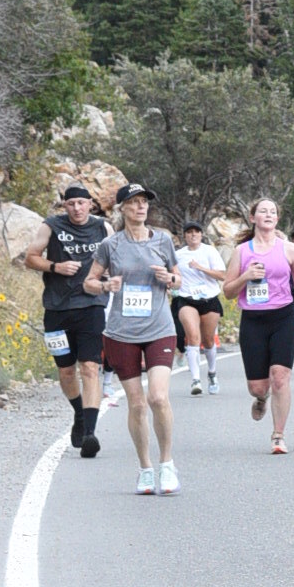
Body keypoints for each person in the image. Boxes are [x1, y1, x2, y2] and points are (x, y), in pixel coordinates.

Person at [92, 184, 182, 493]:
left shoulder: (163, 240)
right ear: (122, 209)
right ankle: (145, 468)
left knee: (158, 397)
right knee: (137, 404)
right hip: (122, 332)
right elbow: (89, 282)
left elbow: (178, 279)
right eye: (134, 203)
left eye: (144, 202)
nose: (141, 207)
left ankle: (167, 464)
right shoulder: (110, 245)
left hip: (159, 328)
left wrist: (169, 279)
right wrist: (106, 286)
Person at [221, 199, 294, 451]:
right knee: (257, 387)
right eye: (263, 211)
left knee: (280, 377)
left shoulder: (289, 249)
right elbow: (228, 291)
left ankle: (278, 435)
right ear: (253, 218)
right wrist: (246, 276)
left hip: (284, 317)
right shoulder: (242, 251)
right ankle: (262, 398)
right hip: (253, 321)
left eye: (273, 211)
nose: (269, 214)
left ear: (277, 219)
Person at [27, 182, 110, 457]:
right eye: (71, 204)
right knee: (65, 371)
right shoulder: (51, 226)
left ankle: (90, 433)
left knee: (90, 367)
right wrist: (55, 267)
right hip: (57, 309)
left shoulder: (103, 228)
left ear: (90, 205)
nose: (76, 208)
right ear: (64, 205)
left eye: (81, 203)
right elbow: (30, 258)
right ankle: (79, 413)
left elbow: (117, 257)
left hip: (92, 306)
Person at [173, 221, 227, 393]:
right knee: (193, 337)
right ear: (185, 236)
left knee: (208, 340)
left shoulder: (209, 251)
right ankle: (195, 380)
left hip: (209, 299)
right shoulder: (178, 255)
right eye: (189, 232)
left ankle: (212, 373)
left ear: (201, 235)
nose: (193, 235)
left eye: (196, 232)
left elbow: (222, 275)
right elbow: (173, 275)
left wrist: (201, 268)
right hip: (187, 299)